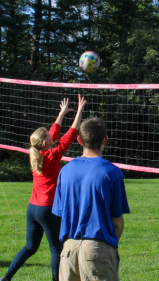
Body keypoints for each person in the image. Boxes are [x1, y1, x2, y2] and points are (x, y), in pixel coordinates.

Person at [0, 95, 86, 281]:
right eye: (48, 136)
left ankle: (6, 278)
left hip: (33, 209)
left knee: (30, 247)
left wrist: (61, 114)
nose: (51, 135)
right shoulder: (51, 156)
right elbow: (70, 135)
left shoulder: (36, 153)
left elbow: (54, 133)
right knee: (56, 250)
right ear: (46, 143)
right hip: (47, 209)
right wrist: (79, 112)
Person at [52, 117, 130, 281]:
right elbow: (117, 222)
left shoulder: (65, 171)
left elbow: (60, 214)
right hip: (97, 249)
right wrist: (111, 245)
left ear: (79, 140)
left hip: (68, 251)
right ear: (105, 140)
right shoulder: (112, 172)